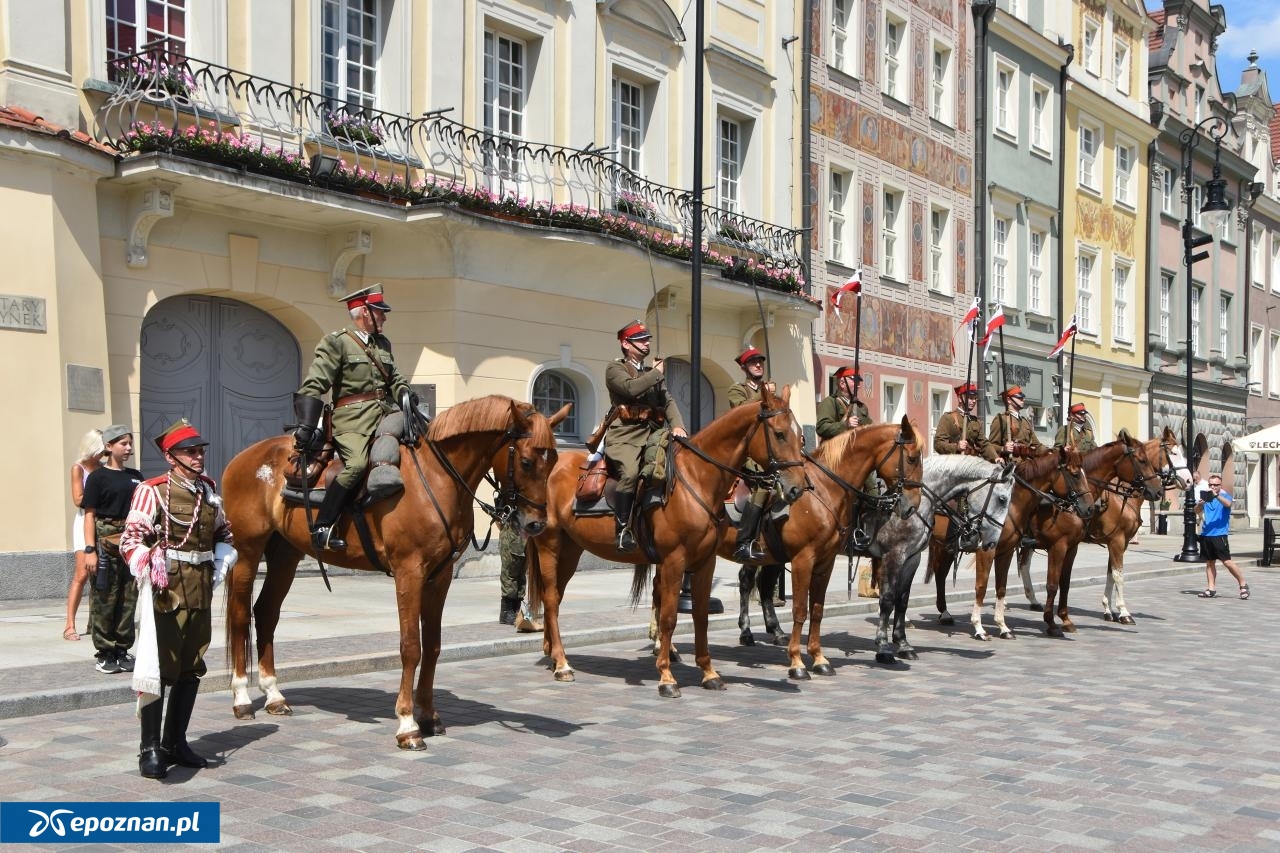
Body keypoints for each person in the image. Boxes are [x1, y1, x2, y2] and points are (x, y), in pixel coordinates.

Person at [120, 418, 236, 779]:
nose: (198, 456)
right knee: (157, 668)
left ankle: (176, 742)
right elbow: (130, 540)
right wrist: (147, 561)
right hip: (164, 589)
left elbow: (224, 532)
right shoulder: (152, 490)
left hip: (200, 587)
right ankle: (150, 748)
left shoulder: (208, 489)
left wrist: (220, 563)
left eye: (200, 450)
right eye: (190, 451)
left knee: (192, 666)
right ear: (171, 457)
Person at [295, 284, 410, 551]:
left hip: (385, 416)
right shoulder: (338, 342)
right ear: (364, 313)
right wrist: (306, 424)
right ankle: (323, 525)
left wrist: (403, 391)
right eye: (380, 312)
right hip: (352, 422)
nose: (384, 317)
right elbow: (316, 383)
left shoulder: (383, 344)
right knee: (357, 465)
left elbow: (394, 378)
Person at [604, 320, 687, 551]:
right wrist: (657, 374)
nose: (646, 342)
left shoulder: (651, 373)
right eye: (640, 339)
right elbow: (631, 389)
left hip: (654, 432)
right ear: (625, 344)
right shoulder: (615, 368)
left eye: (647, 338)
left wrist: (678, 425)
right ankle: (622, 530)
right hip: (626, 433)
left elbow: (667, 400)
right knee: (630, 473)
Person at [81, 424, 143, 674]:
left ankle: (122, 649)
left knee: (129, 597)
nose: (128, 448)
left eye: (130, 443)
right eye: (123, 443)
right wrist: (89, 550)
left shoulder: (136, 476)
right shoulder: (98, 477)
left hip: (131, 539)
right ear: (108, 447)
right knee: (105, 597)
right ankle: (105, 651)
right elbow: (89, 514)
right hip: (105, 540)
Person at [727, 346, 776, 561]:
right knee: (761, 491)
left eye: (760, 361)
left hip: (770, 454)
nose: (758, 365)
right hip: (746, 456)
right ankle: (744, 542)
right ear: (743, 367)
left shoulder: (769, 391)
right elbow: (741, 413)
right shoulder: (737, 390)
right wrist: (765, 394)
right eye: (753, 362)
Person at [64, 428, 103, 641]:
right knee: (81, 574)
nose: (103, 453)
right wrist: (100, 495)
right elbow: (78, 499)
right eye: (100, 449)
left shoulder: (104, 468)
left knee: (100, 575)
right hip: (83, 520)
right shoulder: (78, 468)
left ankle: (95, 622)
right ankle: (69, 624)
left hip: (102, 521)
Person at [1195, 473, 1249, 600]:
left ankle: (1243, 584)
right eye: (1210, 484)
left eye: (1215, 485)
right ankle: (1211, 588)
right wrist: (1200, 504)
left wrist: (1216, 495)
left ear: (1220, 485)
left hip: (1219, 535)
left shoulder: (1224, 496)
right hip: (1206, 534)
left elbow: (1228, 504)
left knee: (1227, 562)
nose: (1212, 487)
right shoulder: (1206, 497)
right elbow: (1196, 511)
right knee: (1209, 563)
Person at [933, 382, 999, 461]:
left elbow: (984, 444)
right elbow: (937, 444)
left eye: (975, 398)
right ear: (960, 399)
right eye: (970, 398)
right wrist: (956, 447)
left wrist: (995, 458)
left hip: (971, 464)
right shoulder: (948, 418)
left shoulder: (975, 421)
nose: (974, 401)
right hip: (954, 464)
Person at [498, 520, 541, 632]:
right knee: (510, 572)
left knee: (521, 573)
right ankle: (507, 613)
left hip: (524, 533)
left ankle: (516, 609)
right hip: (512, 532)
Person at [815, 365, 873, 441]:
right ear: (842, 383)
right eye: (855, 381)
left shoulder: (861, 406)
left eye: (859, 382)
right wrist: (846, 425)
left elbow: (871, 429)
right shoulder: (830, 402)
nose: (858, 385)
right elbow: (821, 428)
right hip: (836, 450)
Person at [988, 385, 1045, 460]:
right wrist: (1003, 448)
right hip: (1011, 464)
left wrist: (1051, 451)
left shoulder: (1025, 421)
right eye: (1019, 398)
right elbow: (990, 446)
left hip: (1026, 463)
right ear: (1009, 400)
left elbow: (1037, 445)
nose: (1023, 400)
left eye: (1022, 397)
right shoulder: (1001, 419)